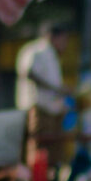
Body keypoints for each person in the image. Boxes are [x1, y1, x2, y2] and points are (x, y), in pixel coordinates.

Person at [16, 22, 73, 167]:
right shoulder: (36, 50)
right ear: (52, 37)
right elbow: (28, 73)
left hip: (53, 111)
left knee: (54, 152)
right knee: (38, 148)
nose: (65, 44)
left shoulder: (53, 55)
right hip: (39, 109)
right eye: (63, 40)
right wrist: (55, 89)